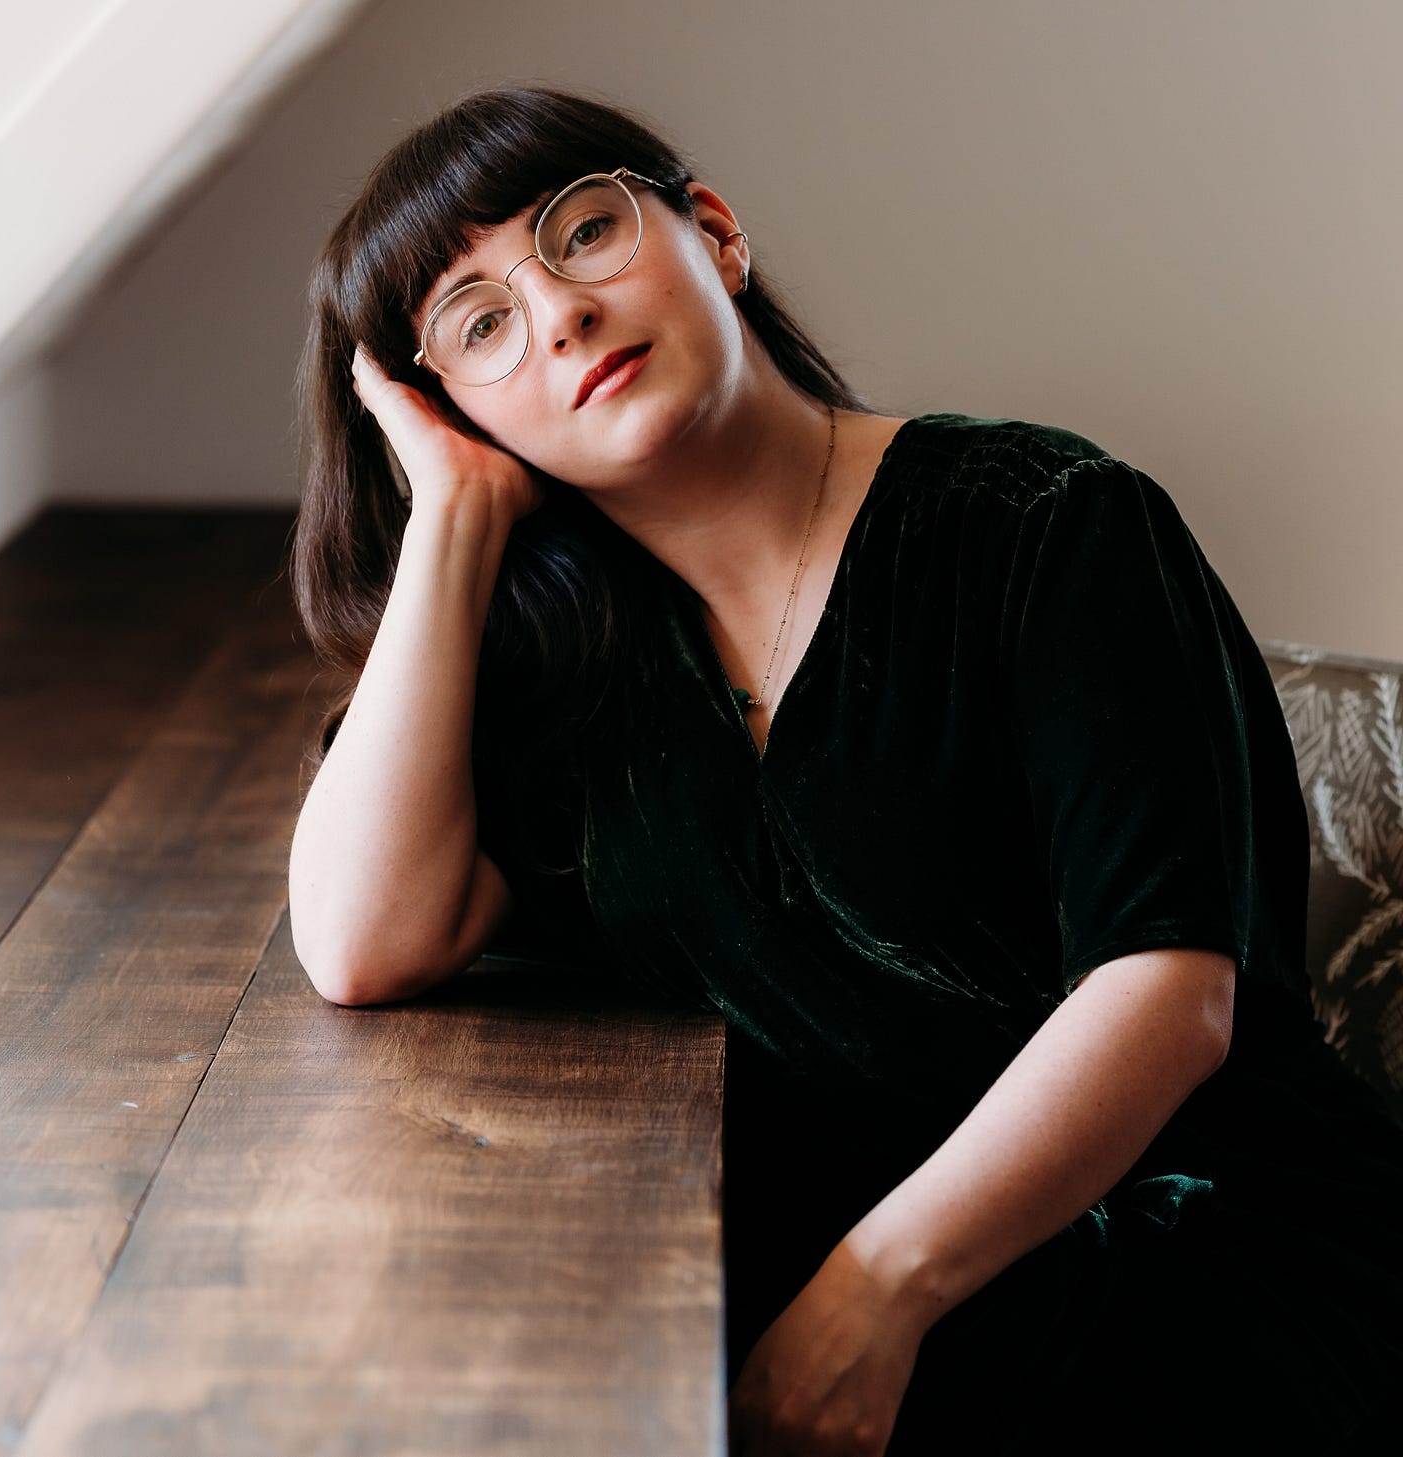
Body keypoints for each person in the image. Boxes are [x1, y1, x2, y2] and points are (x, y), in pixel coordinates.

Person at [288, 85, 1403, 1454]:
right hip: (904, 1318)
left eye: (583, 233)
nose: (560, 312)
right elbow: (359, 941)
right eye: (480, 323)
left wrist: (874, 1291)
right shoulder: (579, 678)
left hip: (1223, 1288)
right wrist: (454, 516)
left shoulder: (1048, 522)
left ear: (716, 235)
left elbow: (1167, 991)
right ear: (449, 410)